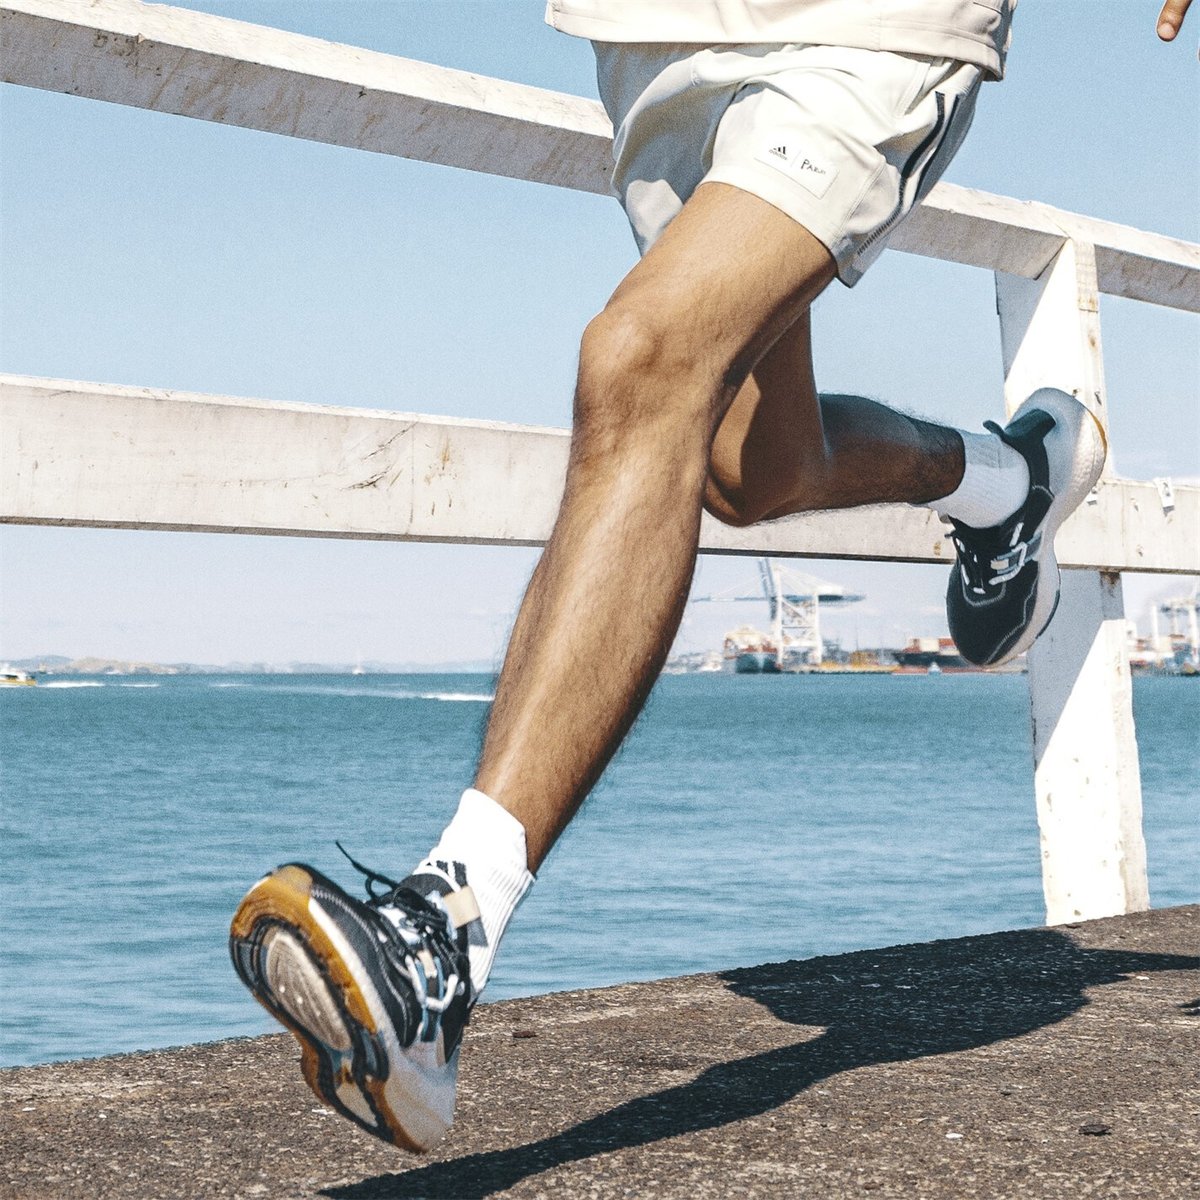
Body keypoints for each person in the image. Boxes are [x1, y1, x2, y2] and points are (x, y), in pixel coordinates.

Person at [228, 0, 1193, 1153]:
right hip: (656, 36)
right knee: (749, 466)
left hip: (867, 23)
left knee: (639, 359)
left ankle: (443, 935)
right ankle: (1007, 477)